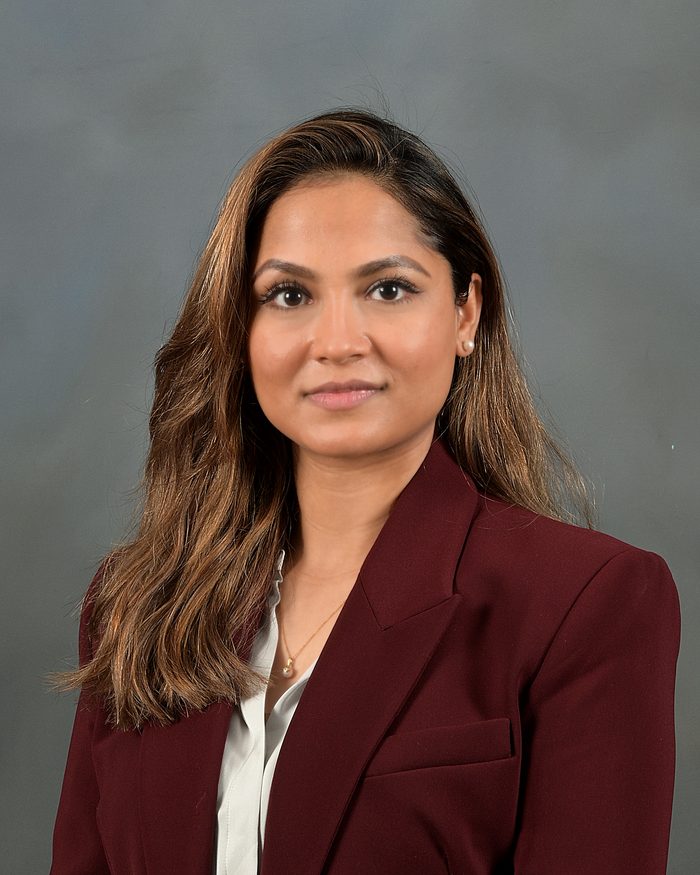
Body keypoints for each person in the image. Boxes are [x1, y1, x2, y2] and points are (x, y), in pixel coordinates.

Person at [51, 108, 680, 875]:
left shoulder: (584, 603)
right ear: (241, 326)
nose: (339, 342)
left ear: (466, 312)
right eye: (289, 294)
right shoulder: (135, 604)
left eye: (388, 288)